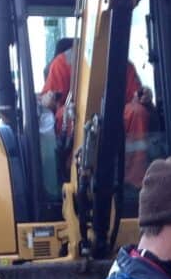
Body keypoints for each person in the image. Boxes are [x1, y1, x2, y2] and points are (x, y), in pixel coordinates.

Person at [40, 41, 154, 188]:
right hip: (78, 126)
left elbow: (136, 96)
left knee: (137, 112)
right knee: (66, 114)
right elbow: (47, 104)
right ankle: (75, 175)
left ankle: (135, 184)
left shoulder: (121, 63)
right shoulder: (63, 63)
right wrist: (48, 101)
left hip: (115, 124)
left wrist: (143, 97)